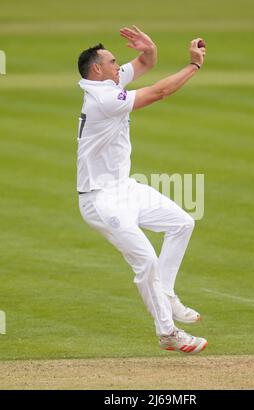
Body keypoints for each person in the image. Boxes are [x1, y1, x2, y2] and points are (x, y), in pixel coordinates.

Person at [77, 25, 207, 354]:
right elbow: (159, 91)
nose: (118, 66)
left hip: (125, 188)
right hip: (101, 199)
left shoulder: (108, 81)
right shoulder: (103, 98)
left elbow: (146, 63)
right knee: (146, 260)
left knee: (182, 223)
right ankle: (167, 332)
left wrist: (148, 48)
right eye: (112, 61)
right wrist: (194, 66)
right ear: (97, 68)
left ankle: (166, 294)